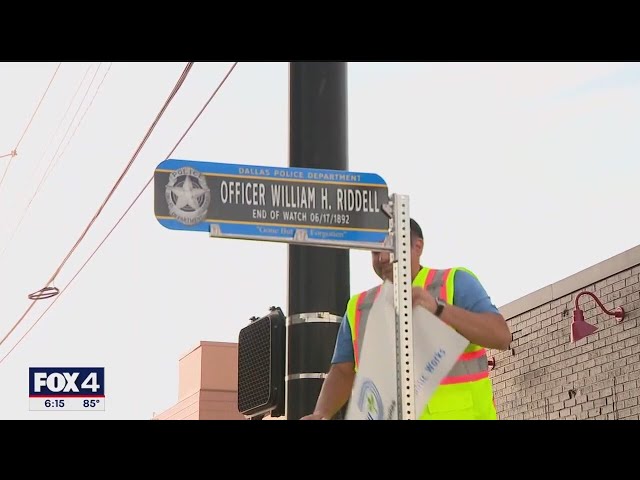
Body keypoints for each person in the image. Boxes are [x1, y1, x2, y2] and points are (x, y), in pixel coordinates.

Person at [301, 218, 512, 420]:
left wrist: (439, 308)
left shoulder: (454, 282)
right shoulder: (358, 307)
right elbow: (342, 371)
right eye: (375, 251)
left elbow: (501, 337)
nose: (382, 258)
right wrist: (322, 413)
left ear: (417, 247)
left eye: (389, 247)